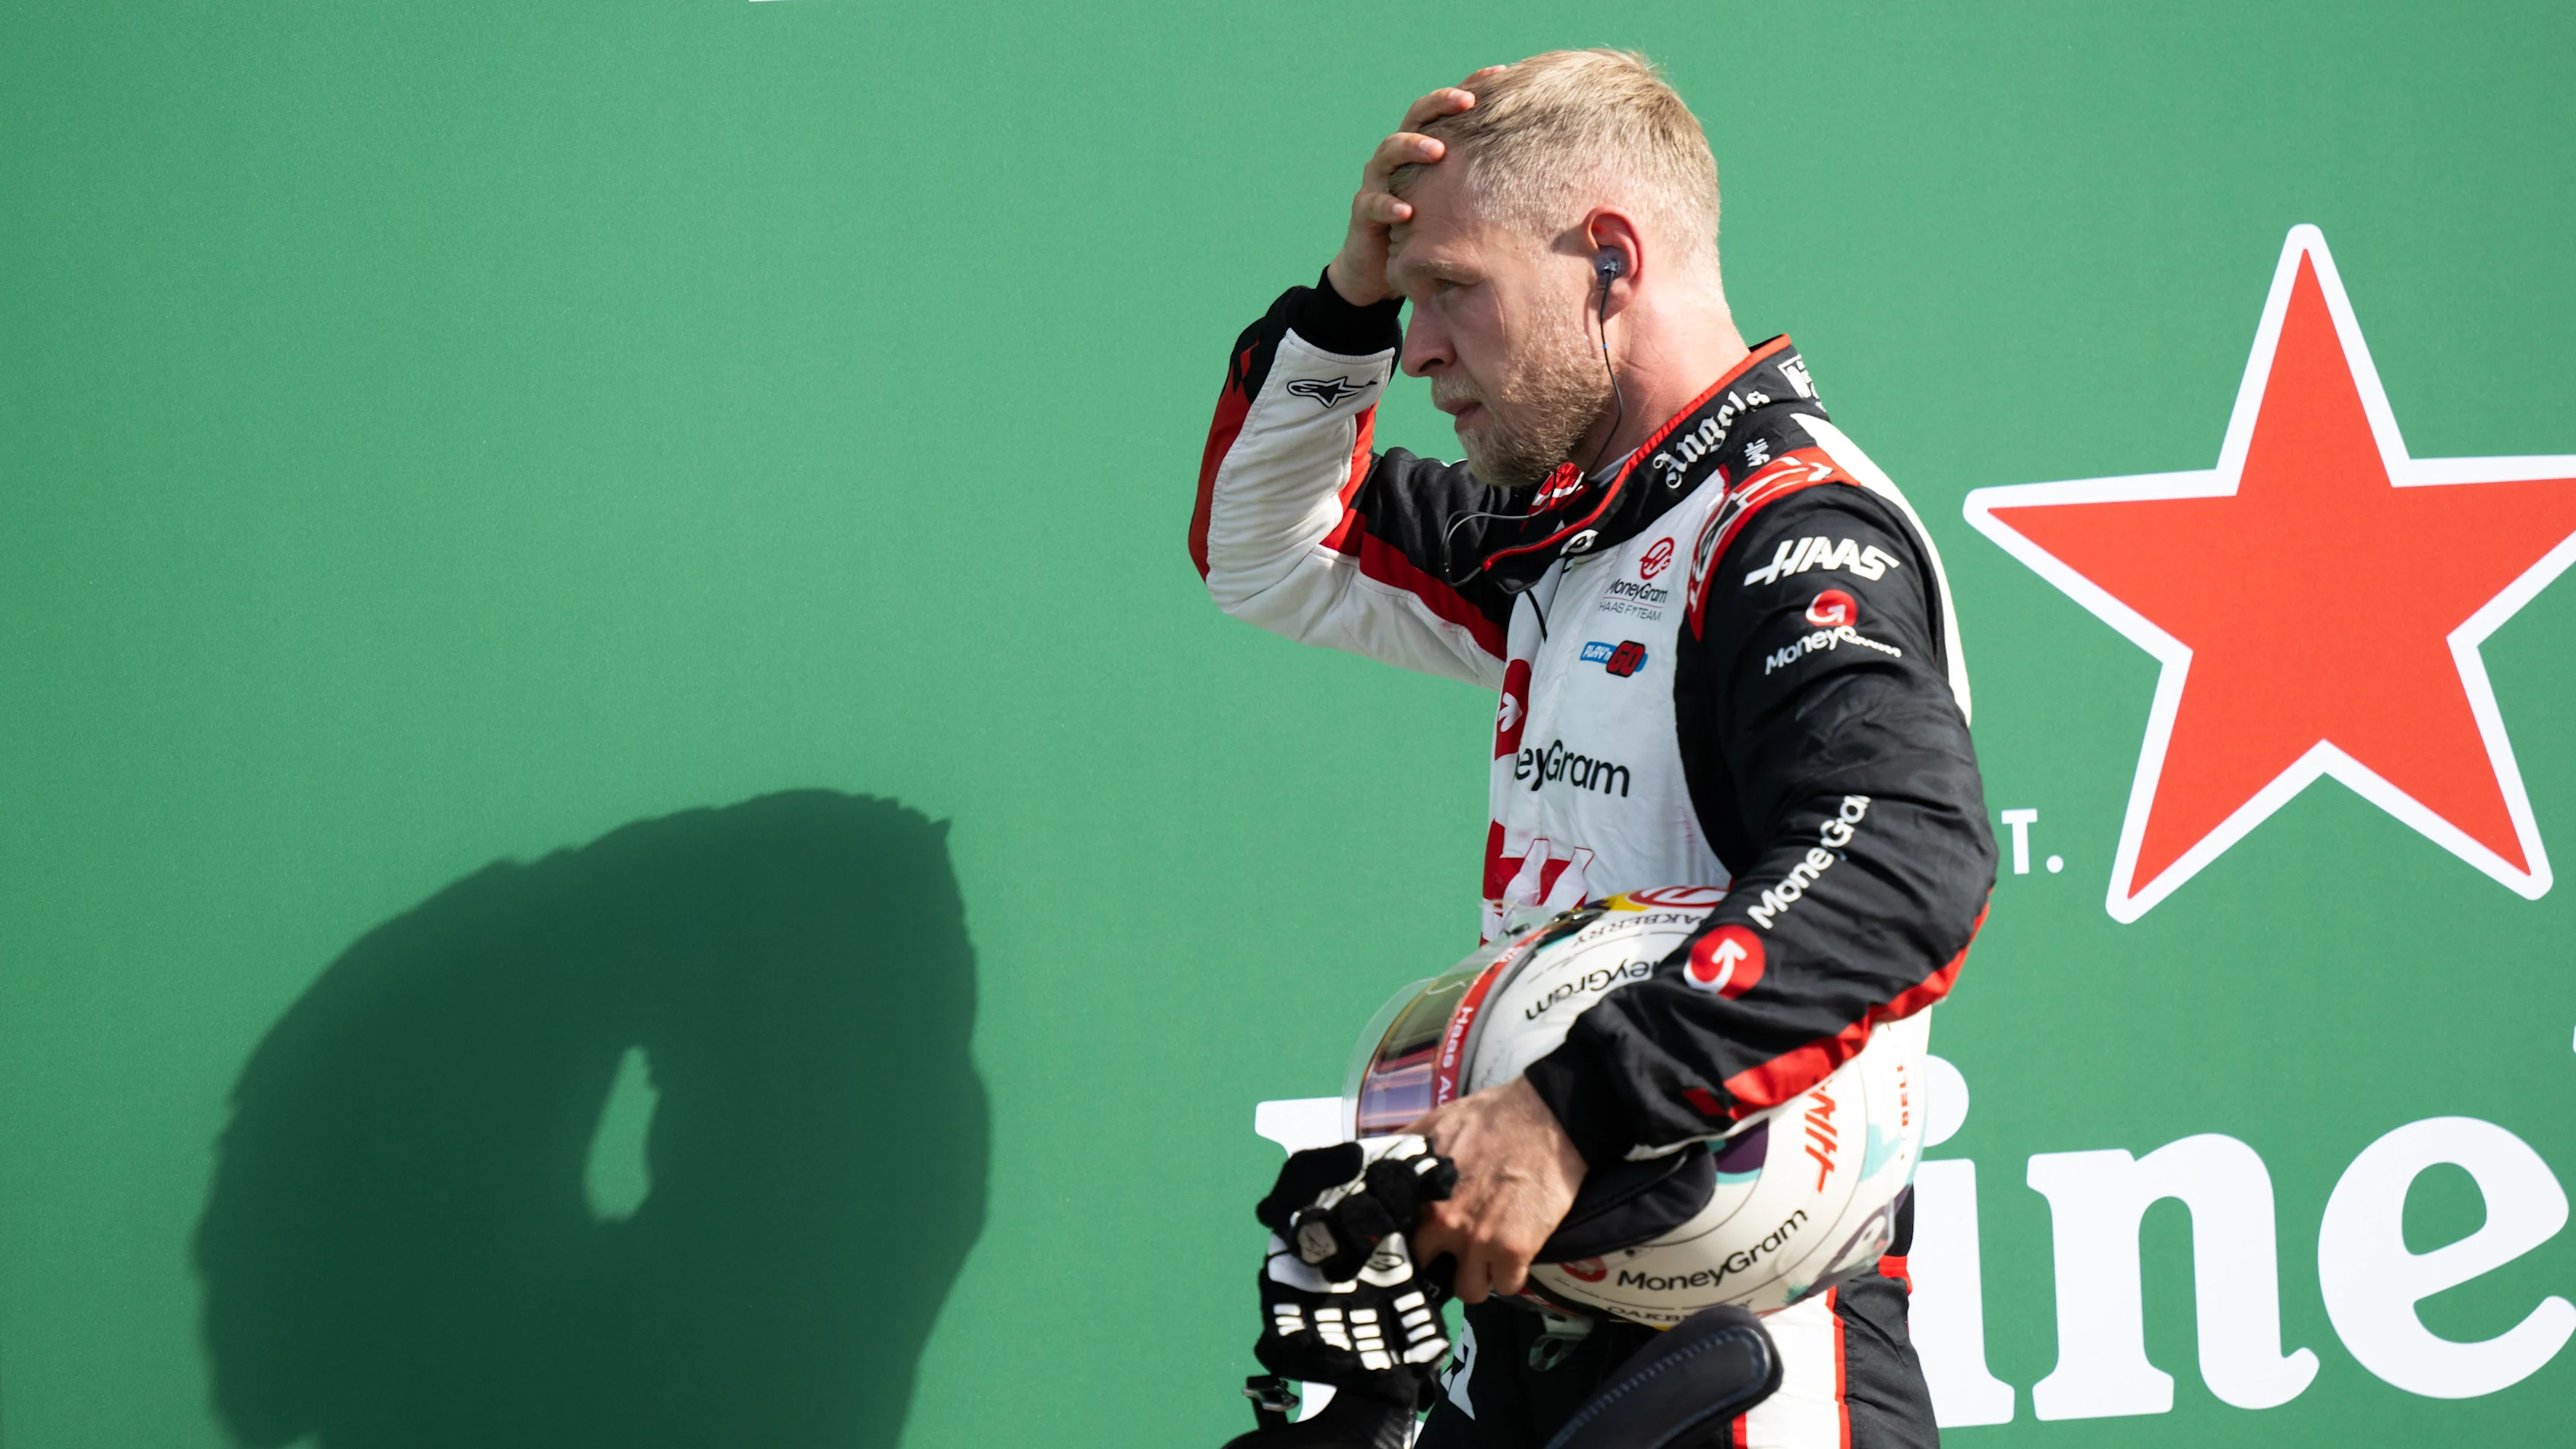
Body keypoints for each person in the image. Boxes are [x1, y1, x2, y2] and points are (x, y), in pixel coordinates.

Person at [1189, 49, 1996, 1449]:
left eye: (1453, 289)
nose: (1418, 349)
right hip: (1548, 1322)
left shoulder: (1788, 533)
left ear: (1609, 263)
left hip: (1750, 1368)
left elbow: (1905, 858)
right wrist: (1345, 306)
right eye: (1411, 302)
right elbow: (1268, 550)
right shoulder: (1569, 529)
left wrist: (1568, 1113)